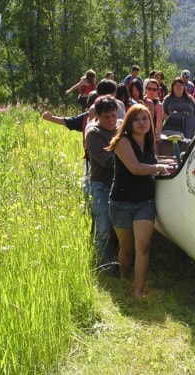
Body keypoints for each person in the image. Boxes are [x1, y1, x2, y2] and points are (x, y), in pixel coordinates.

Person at [105, 104, 169, 298]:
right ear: (129, 123)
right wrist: (158, 167)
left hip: (145, 202)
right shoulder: (122, 142)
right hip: (121, 202)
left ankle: (138, 290)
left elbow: (148, 169)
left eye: (145, 119)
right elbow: (135, 168)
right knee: (127, 248)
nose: (142, 123)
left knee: (143, 246)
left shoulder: (150, 143)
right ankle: (125, 280)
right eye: (137, 119)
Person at [42, 90, 99, 205]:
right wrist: (51, 118)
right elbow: (68, 121)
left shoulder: (110, 118)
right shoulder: (84, 118)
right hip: (89, 158)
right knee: (88, 182)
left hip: (106, 157)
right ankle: (89, 206)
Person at [85, 95, 121, 277]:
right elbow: (107, 161)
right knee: (103, 227)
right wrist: (133, 162)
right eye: (107, 117)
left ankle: (117, 261)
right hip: (101, 185)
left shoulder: (121, 127)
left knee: (120, 227)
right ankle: (103, 265)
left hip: (121, 185)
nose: (111, 120)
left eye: (114, 116)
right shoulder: (93, 133)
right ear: (97, 116)